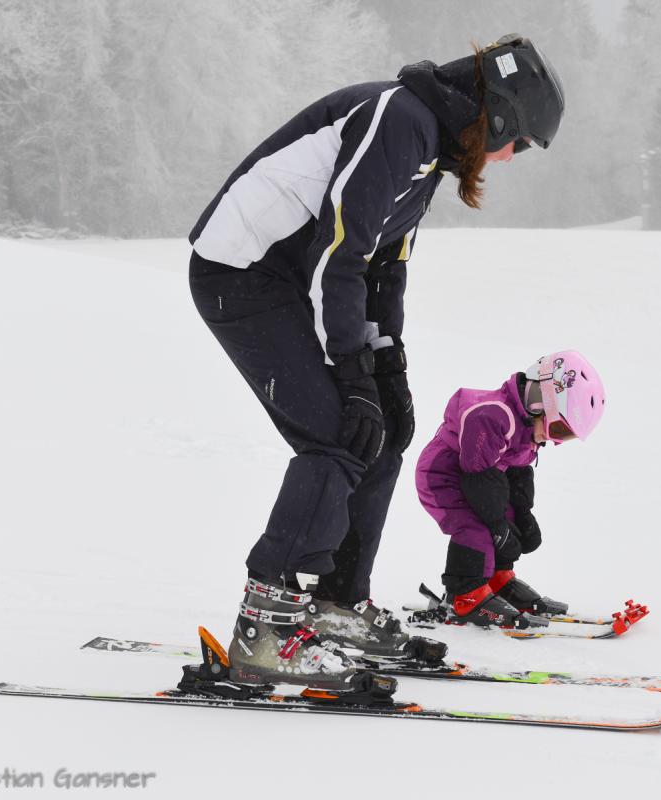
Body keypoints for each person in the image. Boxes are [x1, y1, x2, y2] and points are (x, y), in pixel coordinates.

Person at [186, 35, 565, 689]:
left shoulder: (429, 156)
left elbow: (387, 272)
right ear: (498, 113)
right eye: (521, 141)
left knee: (379, 430)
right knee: (335, 433)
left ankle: (336, 602)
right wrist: (352, 370)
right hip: (240, 273)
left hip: (286, 282)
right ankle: (266, 629)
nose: (511, 156)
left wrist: (387, 370)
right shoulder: (400, 119)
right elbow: (342, 248)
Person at [415, 351, 606, 629]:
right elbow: (478, 476)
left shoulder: (528, 426)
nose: (554, 441)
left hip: (481, 480)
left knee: (507, 521)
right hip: (443, 477)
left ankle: (495, 580)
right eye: (558, 429)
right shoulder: (494, 415)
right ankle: (465, 597)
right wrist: (496, 524)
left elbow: (516, 474)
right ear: (542, 401)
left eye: (564, 436)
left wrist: (522, 513)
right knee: (475, 528)